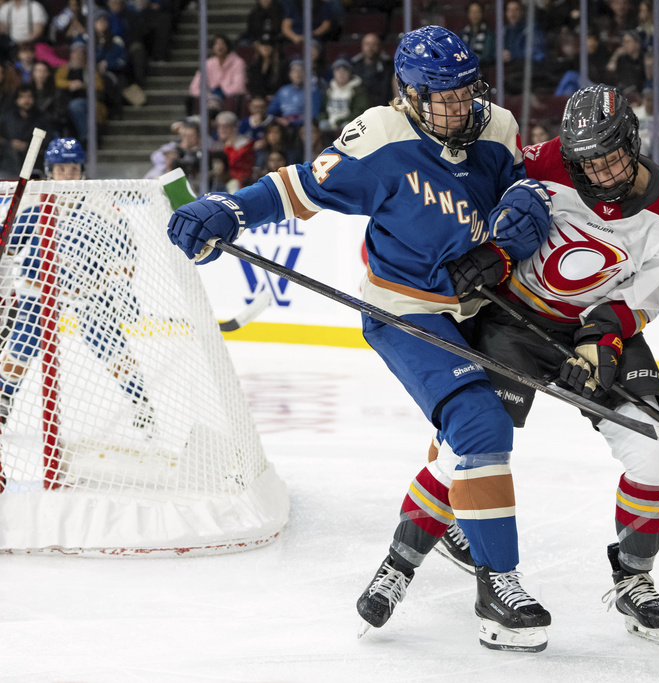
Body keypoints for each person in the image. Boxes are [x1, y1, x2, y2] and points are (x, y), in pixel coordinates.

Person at [165, 25, 553, 652]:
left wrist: (518, 225)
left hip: (482, 306)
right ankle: (496, 587)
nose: (458, 108)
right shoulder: (381, 135)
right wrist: (231, 211)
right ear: (409, 95)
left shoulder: (498, 126)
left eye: (465, 94)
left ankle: (413, 555)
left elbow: (522, 189)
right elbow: (301, 186)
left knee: (463, 445)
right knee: (483, 428)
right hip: (406, 310)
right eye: (441, 97)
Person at [393, 84, 659, 646]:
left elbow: (645, 297)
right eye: (588, 161)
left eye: (612, 156)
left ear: (632, 141)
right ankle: (406, 554)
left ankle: (634, 580)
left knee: (657, 450)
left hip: (597, 329)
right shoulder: (536, 163)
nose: (603, 172)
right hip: (513, 318)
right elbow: (481, 219)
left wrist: (605, 336)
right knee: (466, 444)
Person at [0, 138, 154, 434]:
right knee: (23, 342)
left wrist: (120, 285)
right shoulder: (35, 198)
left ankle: (141, 402)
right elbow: (9, 248)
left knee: (107, 342)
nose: (67, 175)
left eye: (72, 169)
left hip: (87, 291)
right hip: (39, 290)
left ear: (82, 170)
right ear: (50, 171)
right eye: (60, 169)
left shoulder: (100, 204)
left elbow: (125, 250)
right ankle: (4, 400)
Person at [320, 57, 369, 135]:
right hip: (330, 123)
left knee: (346, 126)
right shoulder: (329, 89)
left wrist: (341, 121)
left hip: (348, 122)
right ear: (334, 73)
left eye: (345, 70)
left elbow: (360, 111)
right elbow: (322, 109)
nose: (341, 74)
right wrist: (323, 119)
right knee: (322, 125)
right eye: (338, 70)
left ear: (350, 73)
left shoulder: (357, 89)